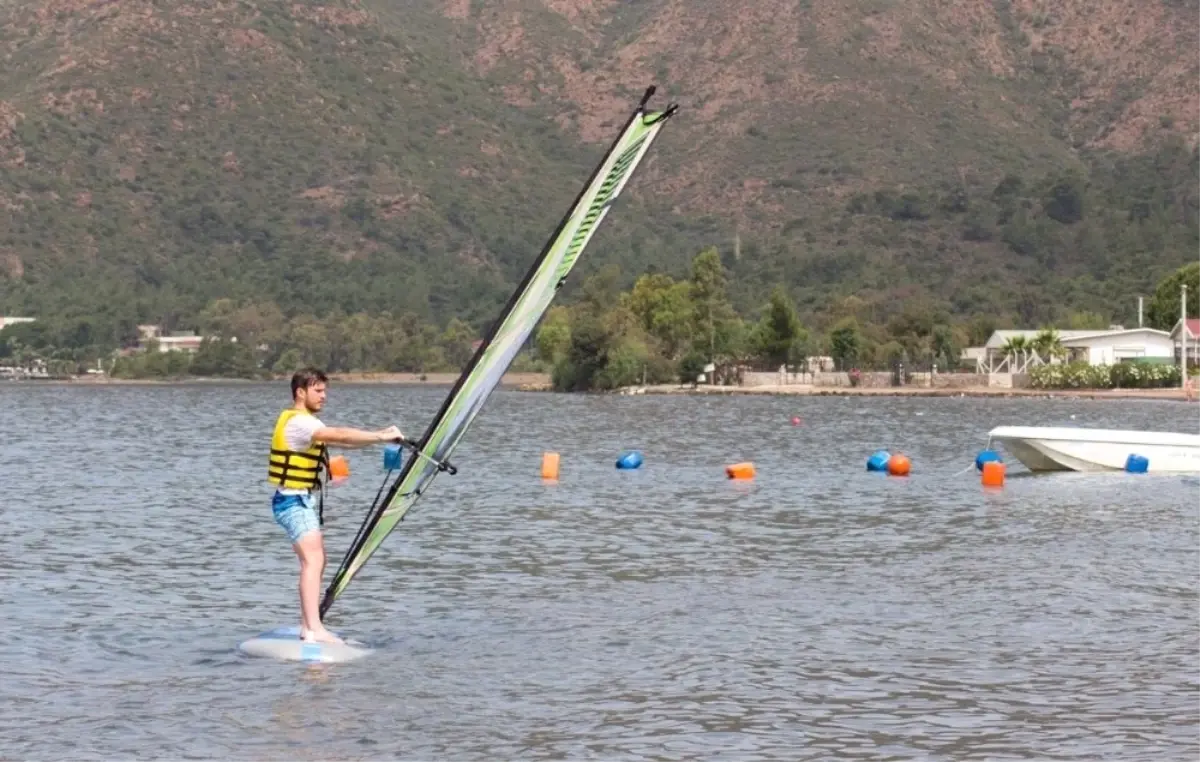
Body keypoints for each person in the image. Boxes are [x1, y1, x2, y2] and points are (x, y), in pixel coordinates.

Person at [268, 367, 402, 644]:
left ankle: (308, 625)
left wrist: (380, 435)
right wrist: (380, 437)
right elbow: (340, 434)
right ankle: (313, 629)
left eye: (325, 390)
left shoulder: (305, 423)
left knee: (317, 560)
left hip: (299, 500)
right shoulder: (301, 423)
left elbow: (344, 441)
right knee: (313, 560)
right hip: (293, 501)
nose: (324, 396)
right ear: (300, 392)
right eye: (318, 390)